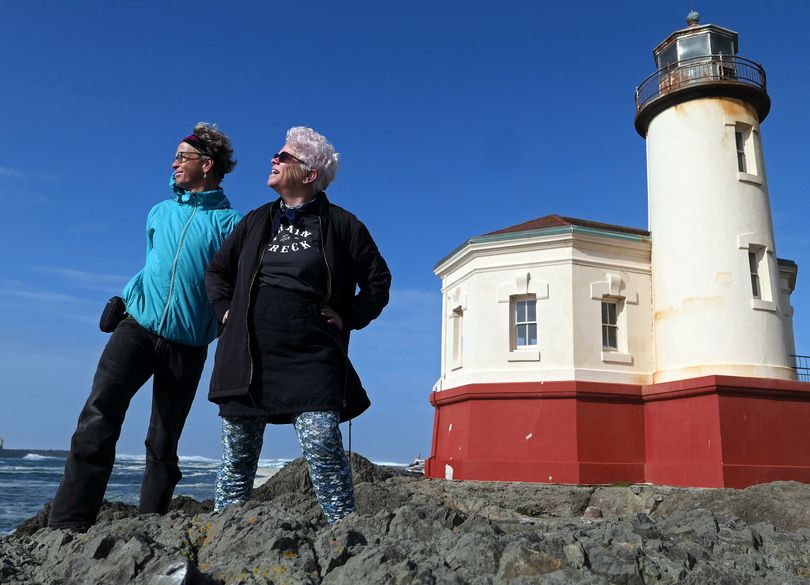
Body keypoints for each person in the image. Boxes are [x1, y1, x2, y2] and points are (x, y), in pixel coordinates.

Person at [48, 124, 243, 531]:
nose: (173, 163)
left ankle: (148, 525)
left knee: (163, 443)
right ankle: (66, 525)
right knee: (97, 418)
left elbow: (234, 287)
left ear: (206, 165)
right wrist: (126, 297)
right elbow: (154, 264)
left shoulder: (231, 226)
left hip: (188, 346)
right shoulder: (159, 212)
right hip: (136, 328)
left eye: (182, 156)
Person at [205, 126, 390, 524]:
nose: (274, 158)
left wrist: (350, 317)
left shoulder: (342, 224)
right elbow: (217, 272)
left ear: (309, 174)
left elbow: (378, 282)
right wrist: (224, 310)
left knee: (323, 443)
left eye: (284, 156)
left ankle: (345, 534)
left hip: (311, 355)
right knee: (237, 456)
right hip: (246, 355)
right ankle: (222, 537)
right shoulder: (255, 221)